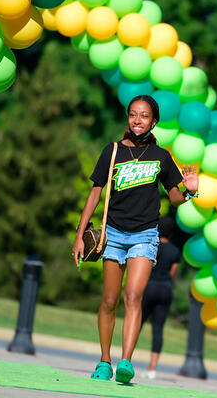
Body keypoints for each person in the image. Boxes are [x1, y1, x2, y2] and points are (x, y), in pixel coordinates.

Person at [72, 95, 199, 384]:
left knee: (133, 297)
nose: (137, 120)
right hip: (113, 235)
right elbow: (95, 194)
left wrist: (189, 190)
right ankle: (104, 361)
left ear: (154, 122)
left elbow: (175, 198)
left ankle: (126, 361)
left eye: (143, 116)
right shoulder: (113, 151)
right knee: (108, 301)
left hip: (144, 235)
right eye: (133, 115)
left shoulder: (161, 156)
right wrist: (80, 236)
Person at [140, 215, 181, 379]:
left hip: (149, 287)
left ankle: (125, 360)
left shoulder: (152, 246)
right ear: (171, 232)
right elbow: (172, 272)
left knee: (136, 323)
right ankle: (152, 369)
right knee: (158, 330)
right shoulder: (175, 250)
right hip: (165, 289)